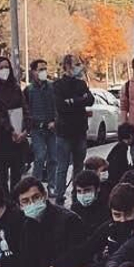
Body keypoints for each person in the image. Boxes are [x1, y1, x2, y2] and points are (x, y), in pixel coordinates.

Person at [51, 56, 91, 202]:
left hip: (80, 131)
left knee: (79, 166)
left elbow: (90, 99)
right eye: (76, 64)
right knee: (62, 166)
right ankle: (59, 195)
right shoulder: (58, 85)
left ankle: (77, 193)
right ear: (67, 66)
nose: (79, 67)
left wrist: (73, 101)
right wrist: (81, 100)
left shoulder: (81, 83)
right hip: (64, 132)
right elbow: (61, 106)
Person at [0, 55, 28, 194]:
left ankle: (15, 197)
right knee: (2, 173)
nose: (5, 70)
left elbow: (25, 109)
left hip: (18, 134)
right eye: (1, 68)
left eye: (7, 67)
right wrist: (11, 130)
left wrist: (25, 130)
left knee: (17, 172)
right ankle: (4, 199)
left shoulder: (16, 88)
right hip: (2, 136)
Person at [25, 59, 58, 183]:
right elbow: (26, 111)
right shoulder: (29, 90)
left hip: (52, 129)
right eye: (40, 69)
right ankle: (35, 184)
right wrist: (29, 126)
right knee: (39, 157)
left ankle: (52, 185)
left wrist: (55, 121)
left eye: (45, 69)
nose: (43, 72)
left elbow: (58, 107)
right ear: (33, 72)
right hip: (37, 129)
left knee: (53, 158)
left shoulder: (52, 87)